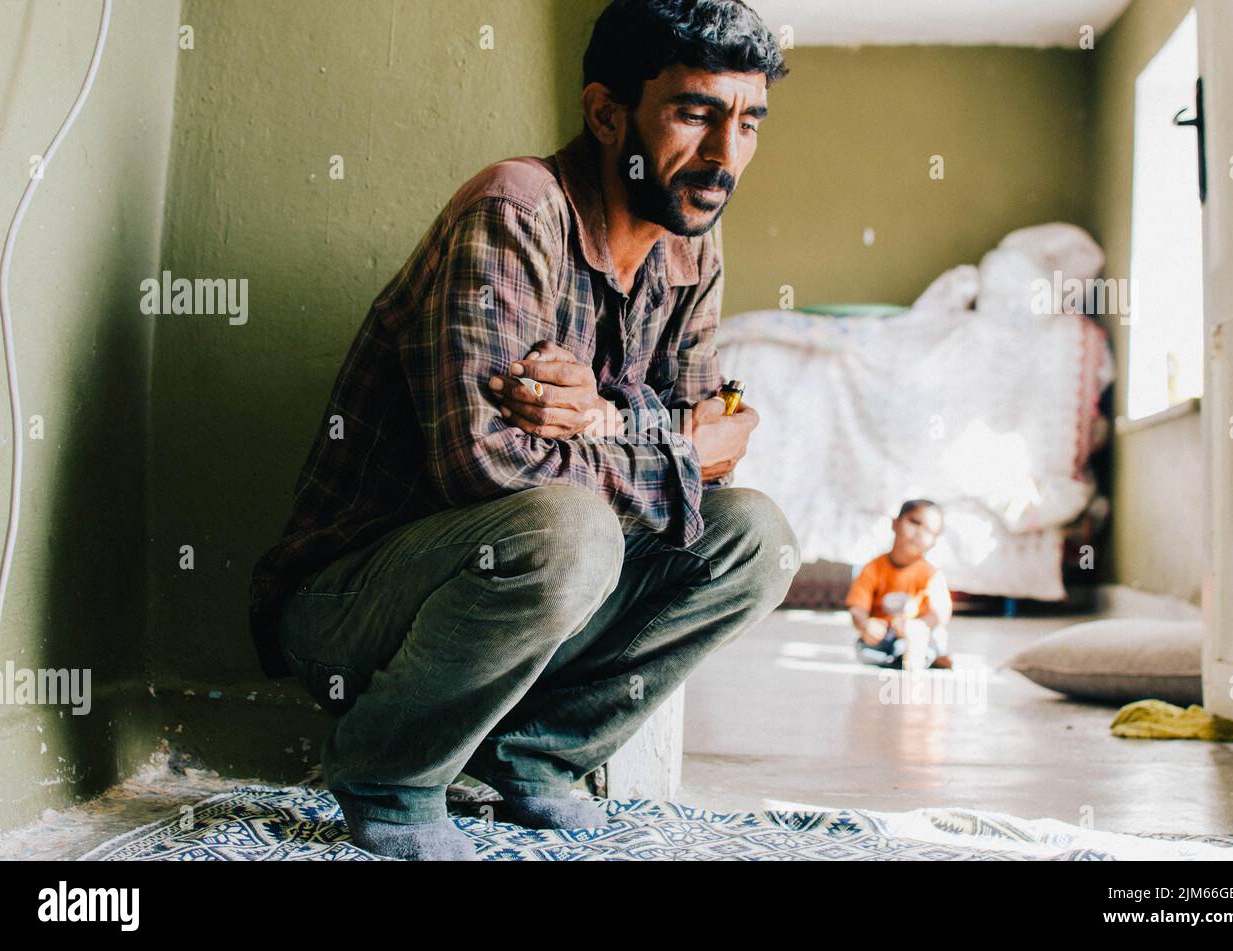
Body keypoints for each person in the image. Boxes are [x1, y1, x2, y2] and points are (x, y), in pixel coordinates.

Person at [247, 0, 794, 861]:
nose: (727, 156)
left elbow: (711, 465)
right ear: (608, 113)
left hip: (530, 587)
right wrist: (672, 439)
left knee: (755, 538)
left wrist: (612, 413)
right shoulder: (514, 210)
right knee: (566, 527)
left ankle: (534, 751)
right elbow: (491, 466)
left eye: (749, 121)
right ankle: (386, 771)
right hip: (353, 605)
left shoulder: (694, 242)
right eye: (695, 114)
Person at [846, 500, 953, 671]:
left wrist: (920, 626)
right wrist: (866, 625)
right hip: (885, 635)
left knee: (934, 639)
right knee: (863, 649)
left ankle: (919, 655)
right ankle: (905, 659)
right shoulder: (872, 569)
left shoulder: (931, 574)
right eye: (914, 522)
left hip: (916, 634)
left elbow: (941, 613)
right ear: (895, 523)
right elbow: (857, 608)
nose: (918, 533)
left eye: (928, 531)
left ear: (934, 542)